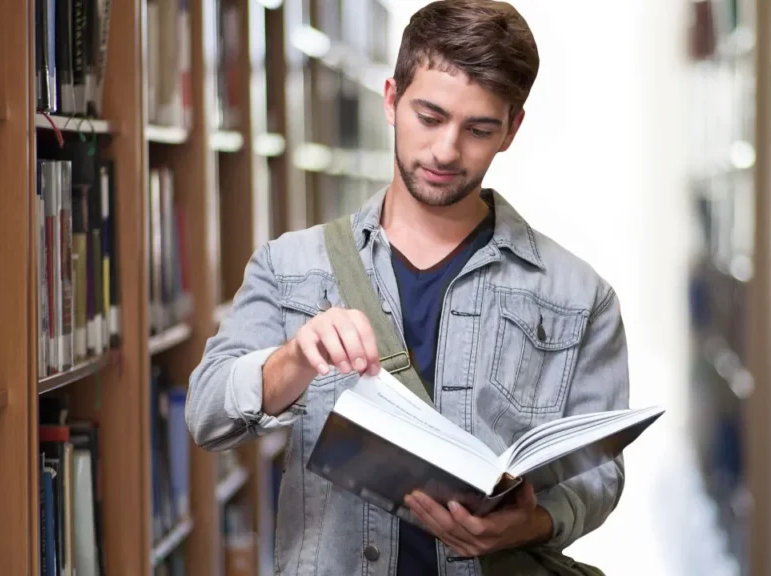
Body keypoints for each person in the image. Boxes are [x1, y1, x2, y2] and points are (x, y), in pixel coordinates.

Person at [185, 1, 630, 574]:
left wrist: (534, 522)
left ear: (512, 130)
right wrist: (292, 359)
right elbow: (206, 414)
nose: (447, 150)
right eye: (430, 116)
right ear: (392, 99)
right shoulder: (290, 265)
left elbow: (600, 473)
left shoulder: (580, 296)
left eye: (478, 129)